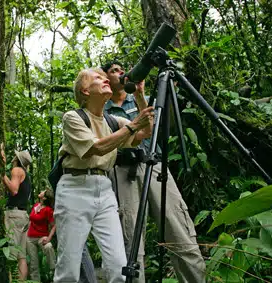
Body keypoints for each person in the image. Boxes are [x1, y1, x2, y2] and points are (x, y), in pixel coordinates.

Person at [101, 61, 206, 283]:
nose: (121, 73)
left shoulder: (139, 100)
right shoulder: (103, 110)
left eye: (122, 69)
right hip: (122, 172)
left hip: (155, 166)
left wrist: (140, 95)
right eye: (114, 71)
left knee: (179, 231)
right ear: (106, 79)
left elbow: (154, 131)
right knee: (130, 242)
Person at [53, 67, 154, 283]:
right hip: (74, 187)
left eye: (105, 77)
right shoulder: (73, 117)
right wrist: (133, 126)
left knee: (119, 267)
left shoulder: (112, 121)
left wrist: (139, 96)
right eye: (98, 78)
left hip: (105, 189)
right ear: (85, 91)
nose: (105, 79)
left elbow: (146, 132)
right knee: (69, 270)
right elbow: (95, 148)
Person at [1, 146, 33, 280]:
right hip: (24, 216)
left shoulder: (17, 170)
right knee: (22, 256)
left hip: (14, 215)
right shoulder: (26, 175)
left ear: (17, 159)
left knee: (12, 254)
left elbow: (14, 190)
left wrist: (2, 175)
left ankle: (11, 280)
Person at [27, 188, 57, 281]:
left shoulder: (48, 210)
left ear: (44, 198)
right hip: (30, 238)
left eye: (42, 192)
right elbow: (30, 220)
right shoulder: (36, 205)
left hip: (41, 237)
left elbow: (54, 225)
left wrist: (49, 238)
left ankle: (54, 271)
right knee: (33, 265)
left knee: (48, 247)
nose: (40, 192)